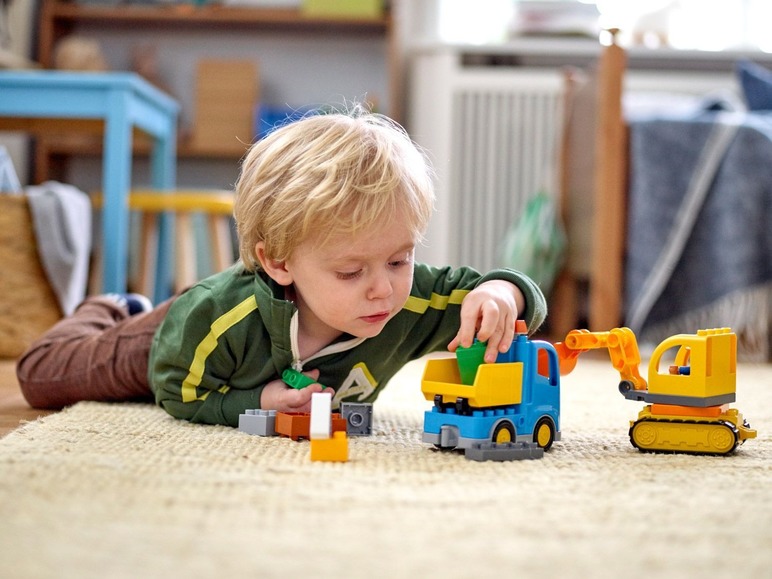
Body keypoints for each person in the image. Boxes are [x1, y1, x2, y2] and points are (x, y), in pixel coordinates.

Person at [17, 107, 547, 427]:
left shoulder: (407, 299)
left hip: (210, 351)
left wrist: (503, 294)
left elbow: (489, 290)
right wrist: (257, 401)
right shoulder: (218, 316)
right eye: (350, 272)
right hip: (173, 344)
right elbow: (176, 390)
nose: (383, 290)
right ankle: (112, 307)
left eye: (399, 259)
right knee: (42, 377)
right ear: (278, 261)